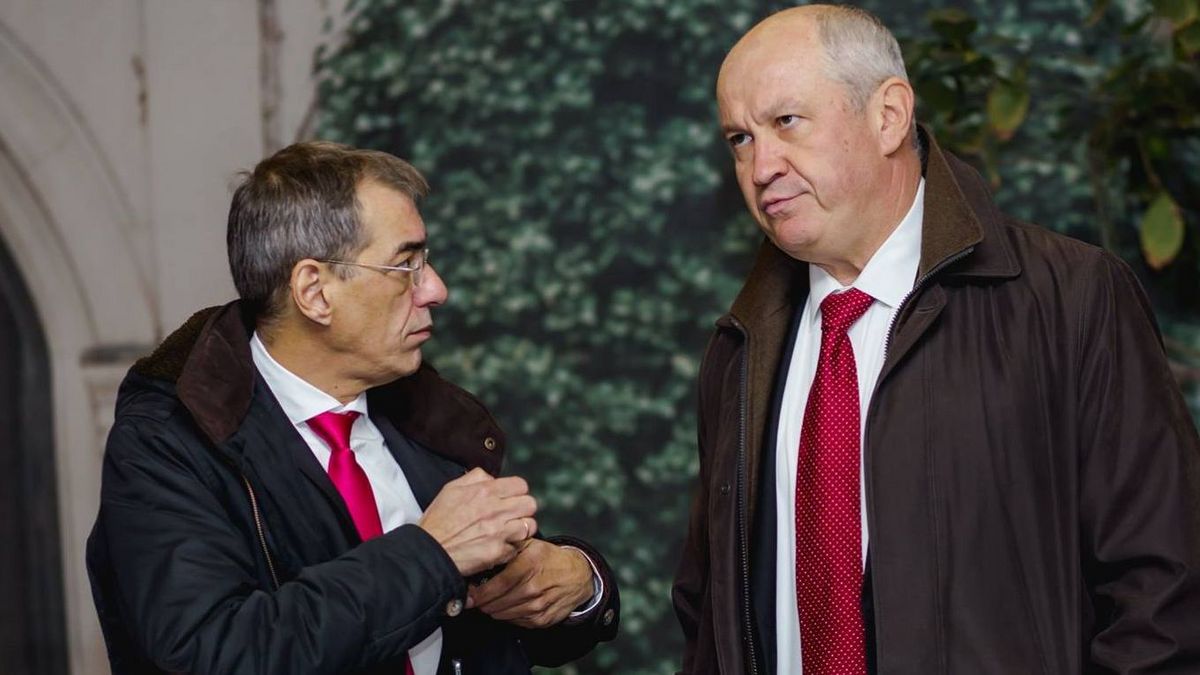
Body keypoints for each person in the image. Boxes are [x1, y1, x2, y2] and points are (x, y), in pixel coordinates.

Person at [673, 5, 1200, 674]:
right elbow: (707, 616)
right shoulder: (740, 350)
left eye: (786, 122)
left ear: (889, 116)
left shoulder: (1071, 298)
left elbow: (1165, 596)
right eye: (740, 138)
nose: (760, 166)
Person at [87, 141, 618, 674]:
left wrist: (581, 581)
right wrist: (431, 555)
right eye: (405, 264)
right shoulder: (168, 444)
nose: (436, 289)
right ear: (315, 292)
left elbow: (506, 617)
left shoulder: (422, 407)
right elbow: (217, 653)